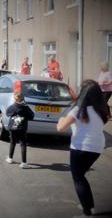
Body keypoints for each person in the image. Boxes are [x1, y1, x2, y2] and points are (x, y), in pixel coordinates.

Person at [57, 79, 110, 216]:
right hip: (97, 148)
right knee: (81, 176)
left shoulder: (79, 109)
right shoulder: (102, 110)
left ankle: (88, 211)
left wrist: (61, 119)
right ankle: (87, 204)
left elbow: (61, 128)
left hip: (80, 148)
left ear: (83, 93)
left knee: (78, 178)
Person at [5, 92, 34, 169]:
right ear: (23, 99)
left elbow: (7, 113)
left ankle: (10, 158)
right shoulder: (25, 108)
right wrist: (26, 106)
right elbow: (32, 116)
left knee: (12, 142)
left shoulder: (12, 106)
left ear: (15, 99)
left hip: (12, 128)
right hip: (22, 128)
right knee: (23, 144)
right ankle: (24, 163)